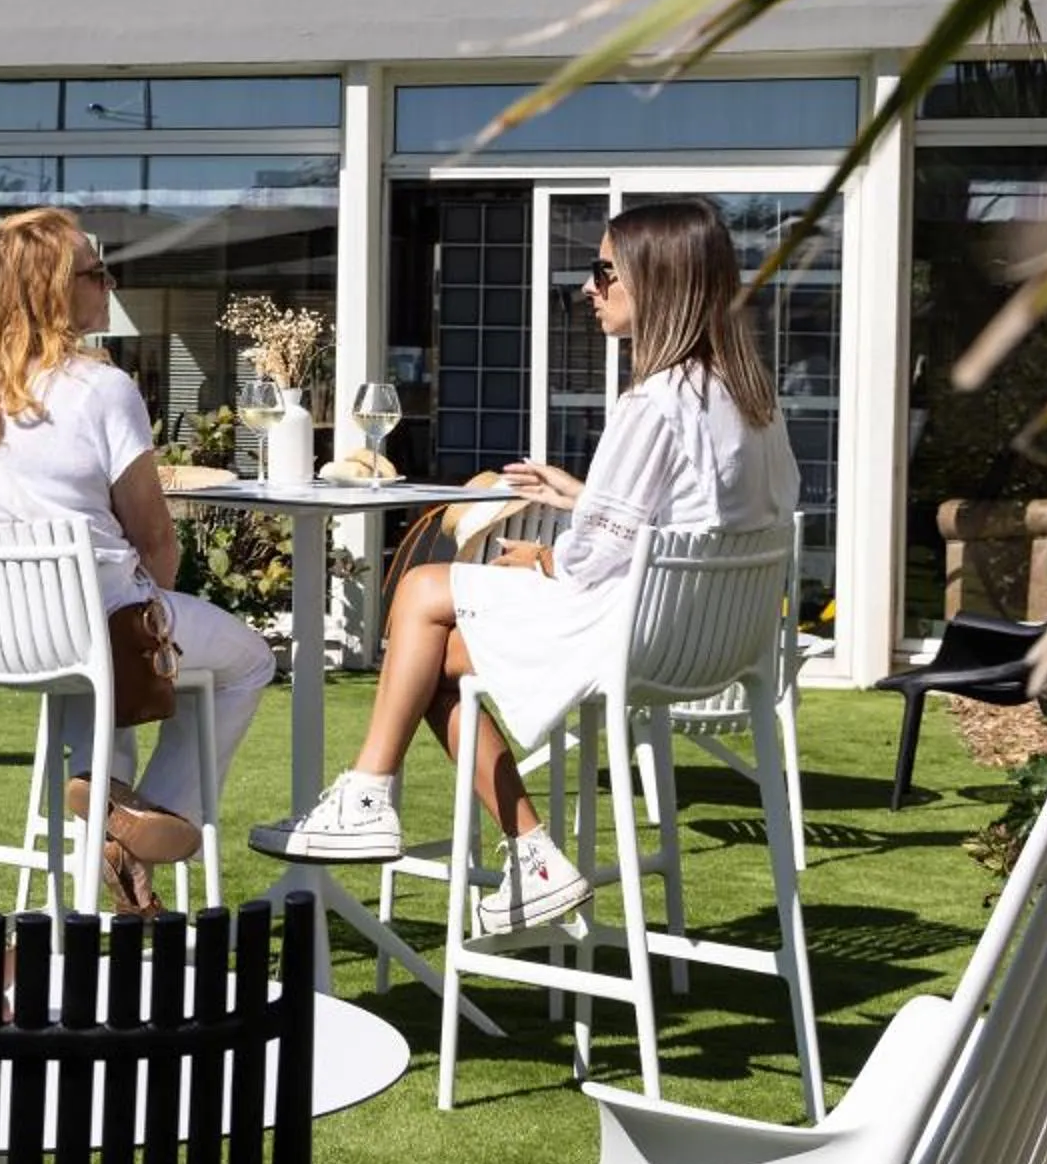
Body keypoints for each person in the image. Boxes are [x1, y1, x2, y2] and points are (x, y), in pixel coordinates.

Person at [249, 197, 800, 935]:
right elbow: (700, 527)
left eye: (604, 271)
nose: (589, 288)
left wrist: (543, 559)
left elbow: (595, 558)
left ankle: (371, 795)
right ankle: (529, 853)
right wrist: (581, 502)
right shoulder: (751, 401)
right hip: (711, 643)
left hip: (630, 637)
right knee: (436, 657)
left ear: (656, 281)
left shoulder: (656, 403)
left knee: (419, 589)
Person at [0, 208, 277, 914]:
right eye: (95, 271)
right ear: (50, 289)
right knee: (249, 660)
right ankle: (150, 823)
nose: (108, 283)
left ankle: (107, 803)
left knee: (105, 667)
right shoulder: (100, 388)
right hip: (91, 627)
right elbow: (154, 538)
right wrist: (153, 637)